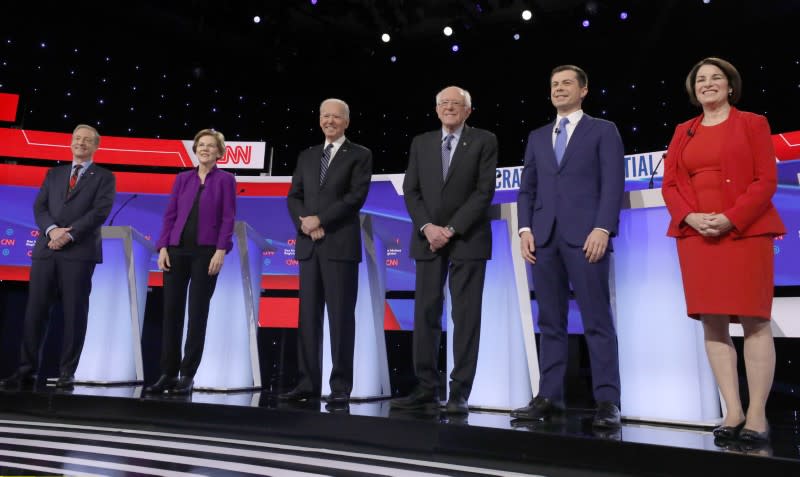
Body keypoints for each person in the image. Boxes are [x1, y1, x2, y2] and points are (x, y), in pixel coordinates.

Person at [662, 57, 785, 444]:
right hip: (697, 236)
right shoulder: (684, 131)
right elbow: (671, 184)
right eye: (701, 79)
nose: (708, 84)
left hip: (744, 233)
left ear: (731, 86)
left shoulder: (753, 123)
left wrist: (732, 218)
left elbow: (766, 180)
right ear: (693, 89)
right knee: (712, 321)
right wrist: (690, 217)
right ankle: (732, 411)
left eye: (717, 78)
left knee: (754, 320)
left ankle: (757, 416)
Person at [512, 65, 625, 428]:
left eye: (566, 83)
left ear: (584, 90)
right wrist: (525, 228)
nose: (559, 89)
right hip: (543, 240)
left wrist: (603, 228)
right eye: (554, 84)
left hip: (587, 238)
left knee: (596, 320)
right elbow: (526, 188)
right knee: (550, 321)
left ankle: (607, 401)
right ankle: (549, 397)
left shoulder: (603, 130)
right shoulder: (537, 135)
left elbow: (612, 184)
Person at [391, 86, 497, 415]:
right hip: (427, 240)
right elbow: (411, 190)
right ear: (436, 110)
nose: (450, 108)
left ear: (468, 111)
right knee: (425, 315)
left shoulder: (484, 140)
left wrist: (450, 230)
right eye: (444, 104)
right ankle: (425, 388)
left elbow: (483, 192)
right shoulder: (421, 142)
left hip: (467, 240)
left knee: (464, 317)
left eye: (457, 104)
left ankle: (459, 392)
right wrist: (428, 227)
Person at [0, 124, 116, 389]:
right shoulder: (54, 173)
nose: (81, 143)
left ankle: (66, 373)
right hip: (46, 250)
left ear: (96, 146)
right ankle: (26, 370)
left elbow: (100, 212)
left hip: (79, 252)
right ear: (71, 142)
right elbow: (39, 206)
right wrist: (52, 231)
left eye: (87, 140)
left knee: (75, 314)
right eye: (77, 139)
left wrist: (69, 234)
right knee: (35, 313)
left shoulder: (104, 177)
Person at [281, 98, 373, 407]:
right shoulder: (307, 156)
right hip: (309, 247)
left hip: (339, 248)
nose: (329, 121)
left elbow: (354, 198)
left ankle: (340, 387)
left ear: (346, 121)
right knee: (307, 318)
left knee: (340, 318)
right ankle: (307, 383)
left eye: (335, 117)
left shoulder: (360, 155)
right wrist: (305, 223)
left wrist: (321, 220)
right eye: (325, 116)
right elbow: (294, 196)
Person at [146, 128, 237, 395]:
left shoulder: (226, 180)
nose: (205, 149)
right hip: (176, 251)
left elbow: (228, 218)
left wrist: (221, 250)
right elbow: (170, 214)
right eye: (201, 145)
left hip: (206, 253)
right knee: (171, 313)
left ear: (219, 152)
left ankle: (187, 375)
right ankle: (167, 373)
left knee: (197, 314)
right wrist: (162, 246)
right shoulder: (183, 178)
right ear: (195, 150)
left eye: (210, 146)